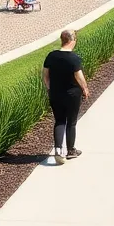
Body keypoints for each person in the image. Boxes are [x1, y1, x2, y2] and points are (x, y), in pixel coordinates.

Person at [43, 29, 89, 164]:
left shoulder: (51, 56)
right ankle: (70, 151)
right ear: (73, 40)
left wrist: (49, 88)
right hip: (72, 95)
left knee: (59, 121)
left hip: (55, 93)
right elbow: (79, 76)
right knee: (71, 122)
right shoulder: (74, 58)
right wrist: (85, 89)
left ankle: (58, 150)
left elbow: (45, 75)